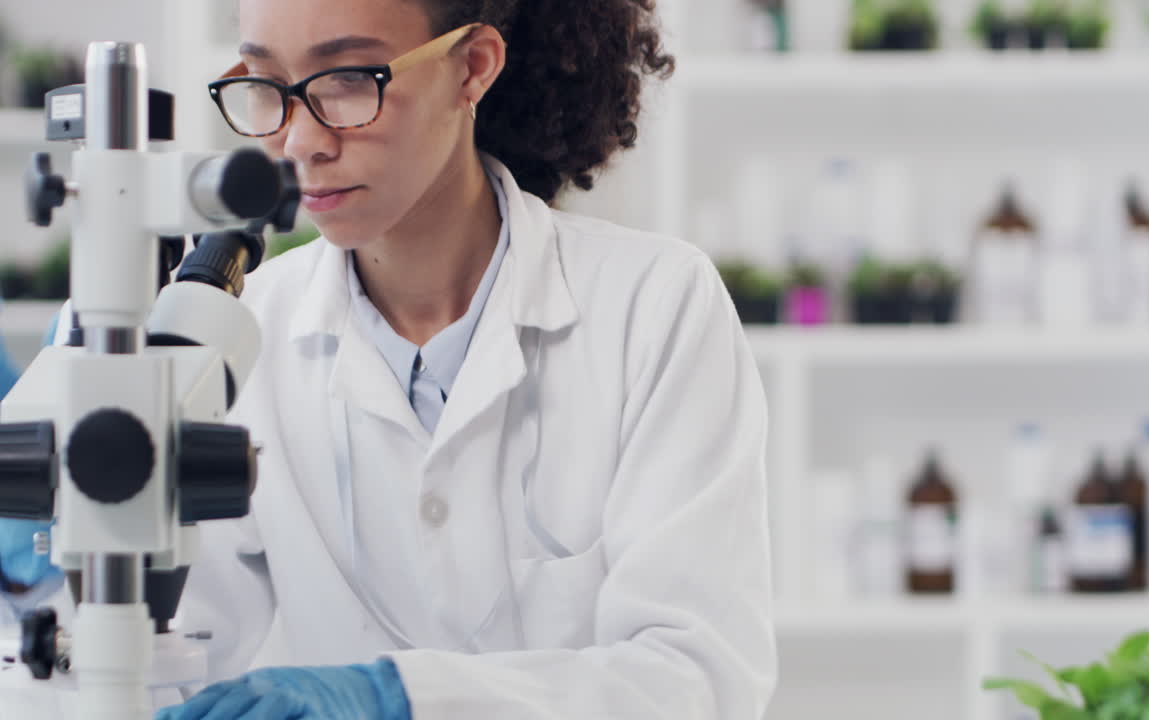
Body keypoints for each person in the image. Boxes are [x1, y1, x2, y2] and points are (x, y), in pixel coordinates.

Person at [2, 0, 777, 718]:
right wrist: (43, 568)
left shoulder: (652, 305)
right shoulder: (237, 338)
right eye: (266, 85)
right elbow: (148, 663)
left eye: (345, 80)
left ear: (473, 65)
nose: (300, 139)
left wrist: (395, 697)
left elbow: (698, 678)